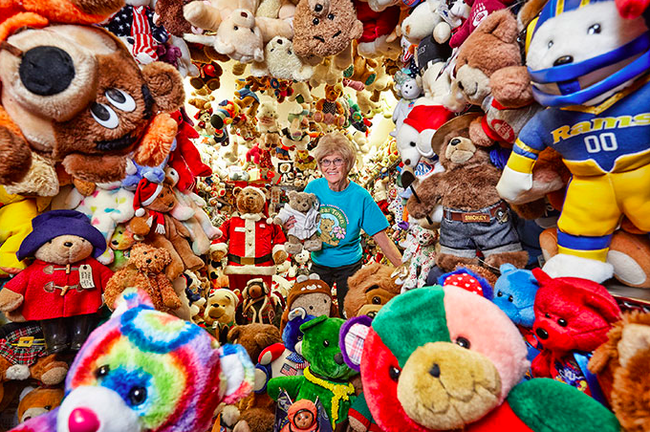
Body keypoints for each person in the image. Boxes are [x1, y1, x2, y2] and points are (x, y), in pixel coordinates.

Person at [285, 133, 402, 314]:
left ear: (347, 164)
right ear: (320, 165)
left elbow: (382, 239)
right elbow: (298, 221)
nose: (331, 167)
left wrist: (404, 270)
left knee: (349, 311)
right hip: (319, 262)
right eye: (326, 161)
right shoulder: (313, 188)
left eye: (337, 160)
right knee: (314, 310)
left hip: (349, 265)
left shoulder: (360, 196)